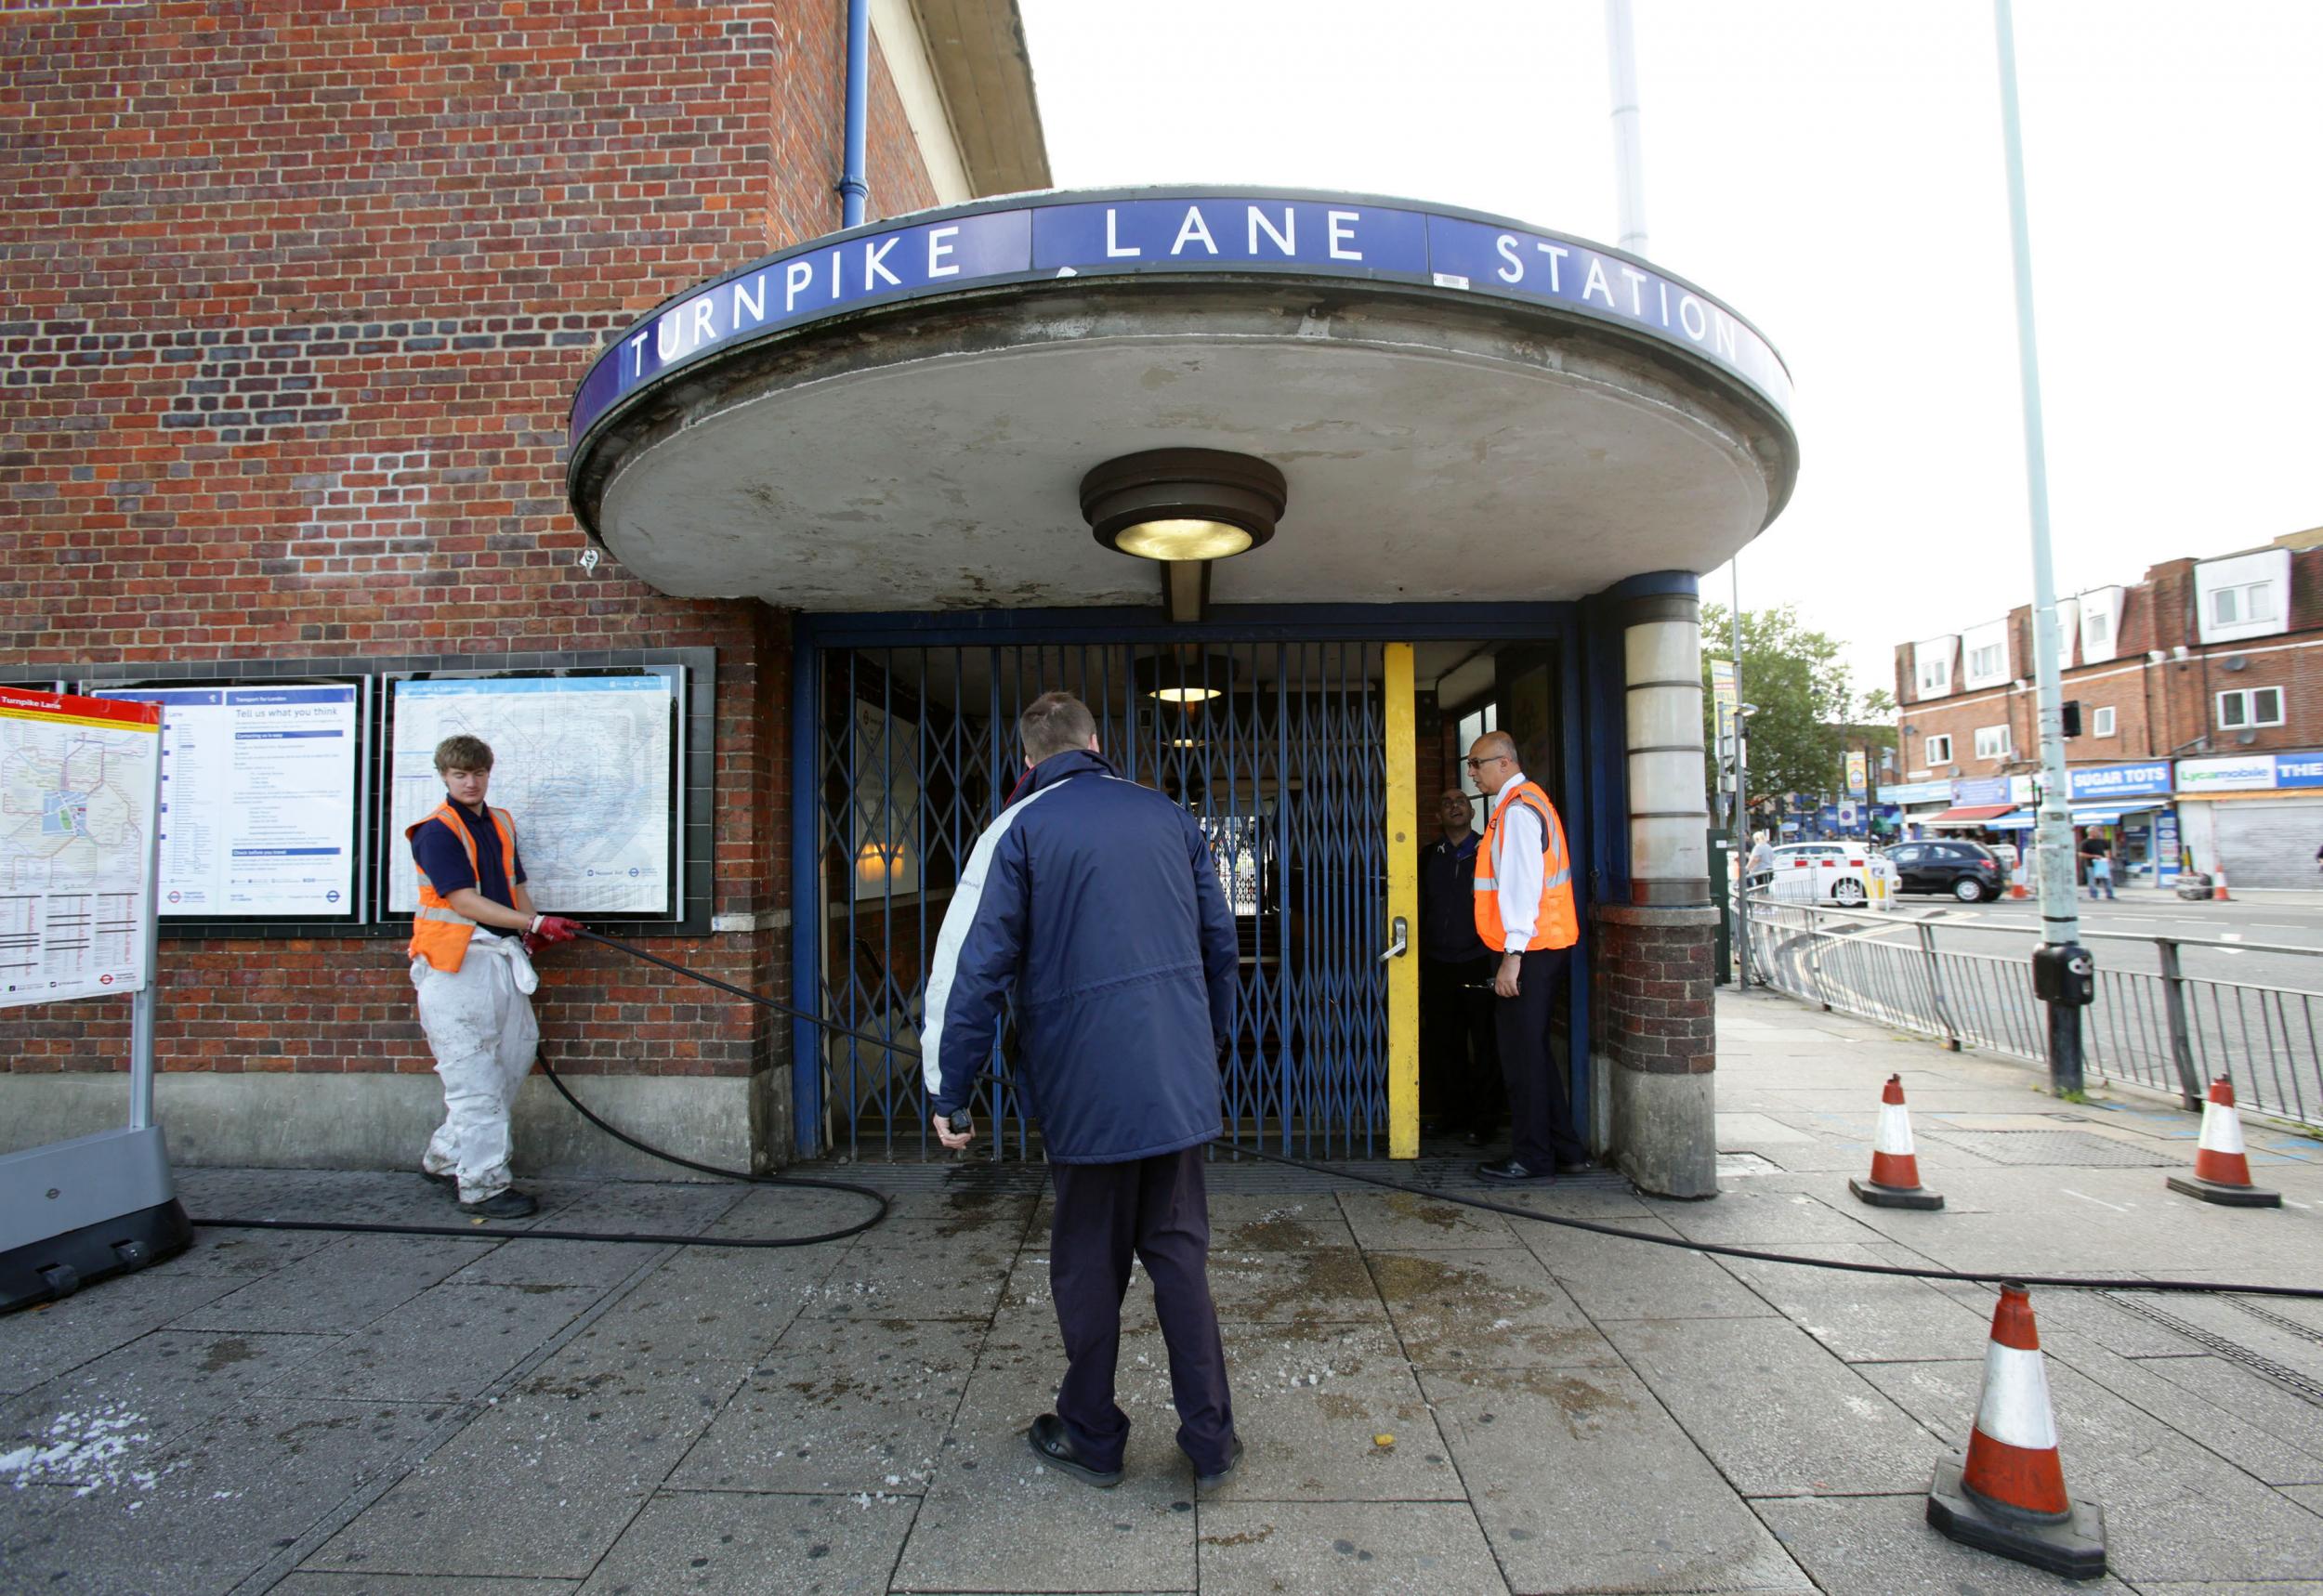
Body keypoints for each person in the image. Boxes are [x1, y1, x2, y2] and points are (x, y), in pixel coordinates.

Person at [922, 691, 1241, 1492]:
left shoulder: (1018, 829)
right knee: (1180, 1261)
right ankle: (1210, 1440)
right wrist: (1206, 1052)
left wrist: (947, 1087)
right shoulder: (1169, 816)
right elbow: (1219, 941)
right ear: (1097, 743)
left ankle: (1094, 1434)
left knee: (1089, 1267)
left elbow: (972, 969)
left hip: (1084, 1096)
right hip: (1174, 1088)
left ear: (1028, 758)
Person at [405, 735, 582, 1219]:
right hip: (455, 969)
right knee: (474, 1078)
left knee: (514, 1054)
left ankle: (446, 1156)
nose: (470, 782)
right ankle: (483, 1185)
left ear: (489, 772)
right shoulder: (435, 832)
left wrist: (532, 928)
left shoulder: (500, 821)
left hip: (499, 957)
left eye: (478, 773)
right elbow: (462, 900)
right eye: (460, 774)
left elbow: (515, 884)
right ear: (444, 776)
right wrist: (532, 924)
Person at [1465, 731, 1590, 1182]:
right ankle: (1566, 1149)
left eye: (1476, 763)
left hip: (1530, 949)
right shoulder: (1526, 802)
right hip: (1544, 946)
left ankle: (1533, 1156)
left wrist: (1512, 955)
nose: (1471, 772)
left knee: (1520, 1056)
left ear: (1503, 762)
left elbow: (1521, 886)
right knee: (1533, 1051)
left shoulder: (1517, 812)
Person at [1419, 788, 1500, 1145]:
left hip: (1477, 960)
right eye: (1447, 802)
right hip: (1437, 963)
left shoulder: (1488, 851)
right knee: (1444, 1044)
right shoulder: (1428, 855)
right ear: (1439, 814)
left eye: (1461, 802)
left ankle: (1484, 1123)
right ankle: (1453, 1115)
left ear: (1472, 811)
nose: (1454, 807)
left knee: (1484, 1044)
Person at [2082, 831, 2116, 901]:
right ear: (2090, 833)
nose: (2098, 833)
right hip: (2091, 864)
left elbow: (2107, 851)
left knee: (2107, 879)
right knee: (2092, 880)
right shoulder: (2085, 843)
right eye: (2096, 831)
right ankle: (2094, 895)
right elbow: (2081, 854)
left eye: (2098, 831)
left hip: (2103, 863)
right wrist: (2094, 856)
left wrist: (2108, 859)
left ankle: (2110, 895)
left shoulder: (2102, 841)